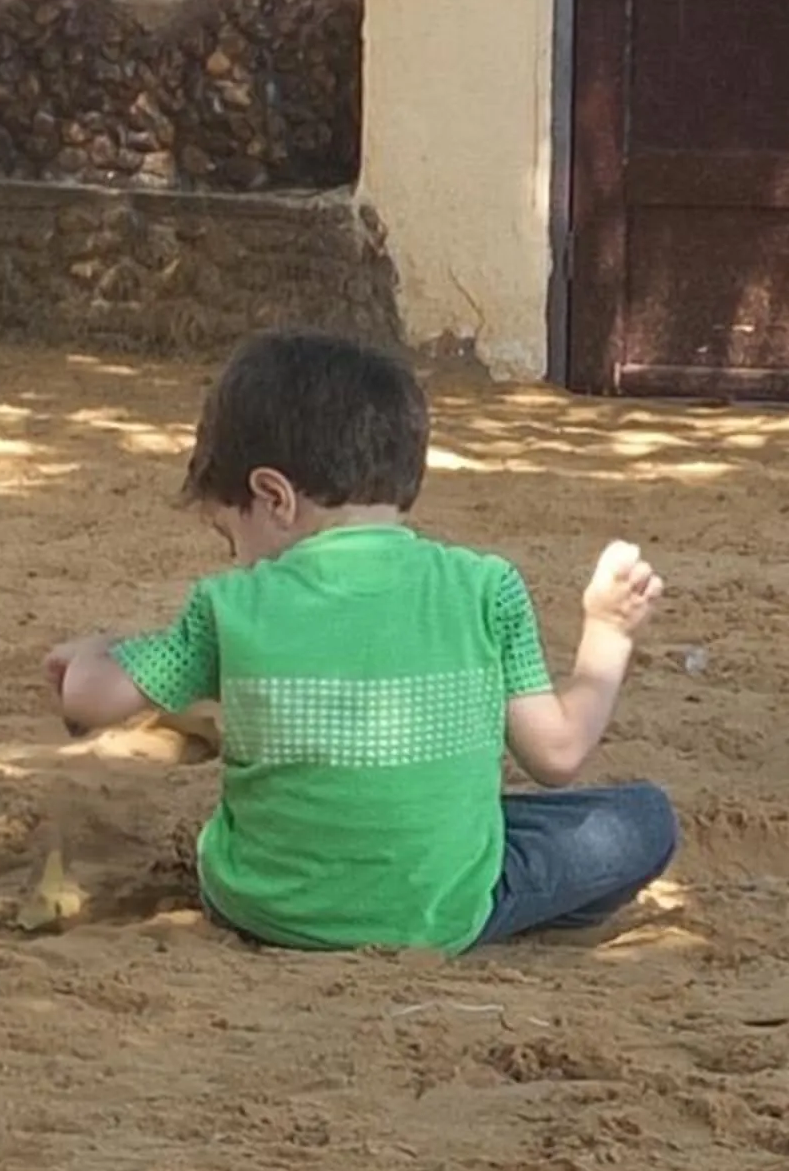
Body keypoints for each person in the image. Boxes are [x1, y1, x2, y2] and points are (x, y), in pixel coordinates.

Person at [44, 330, 677, 951]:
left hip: (262, 908)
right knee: (645, 819)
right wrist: (607, 632)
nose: (238, 561)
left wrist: (90, 652)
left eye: (228, 536)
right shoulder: (487, 589)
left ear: (273, 497)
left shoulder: (230, 607)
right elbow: (558, 755)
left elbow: (88, 701)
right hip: (444, 911)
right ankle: (444, 900)